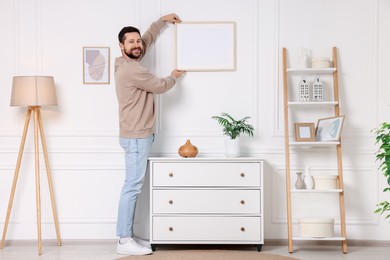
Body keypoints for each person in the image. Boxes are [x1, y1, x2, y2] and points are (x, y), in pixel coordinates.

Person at [114, 13, 185, 255]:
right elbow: (160, 86)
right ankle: (124, 240)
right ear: (121, 46)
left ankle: (128, 236)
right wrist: (174, 77)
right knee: (132, 187)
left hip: (137, 135)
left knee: (133, 185)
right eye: (131, 42)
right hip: (136, 136)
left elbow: (147, 38)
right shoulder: (132, 70)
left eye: (137, 41)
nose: (137, 45)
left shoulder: (128, 62)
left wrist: (161, 22)